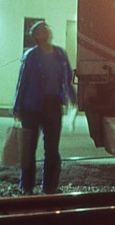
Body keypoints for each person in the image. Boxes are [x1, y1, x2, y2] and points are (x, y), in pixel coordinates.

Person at [12, 21, 76, 194]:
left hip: (53, 105)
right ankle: (27, 185)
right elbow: (22, 82)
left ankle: (50, 186)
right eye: (42, 30)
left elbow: (67, 79)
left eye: (47, 27)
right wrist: (17, 106)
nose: (46, 30)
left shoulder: (60, 54)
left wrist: (74, 99)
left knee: (52, 149)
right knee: (29, 148)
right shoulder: (31, 55)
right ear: (36, 36)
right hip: (31, 107)